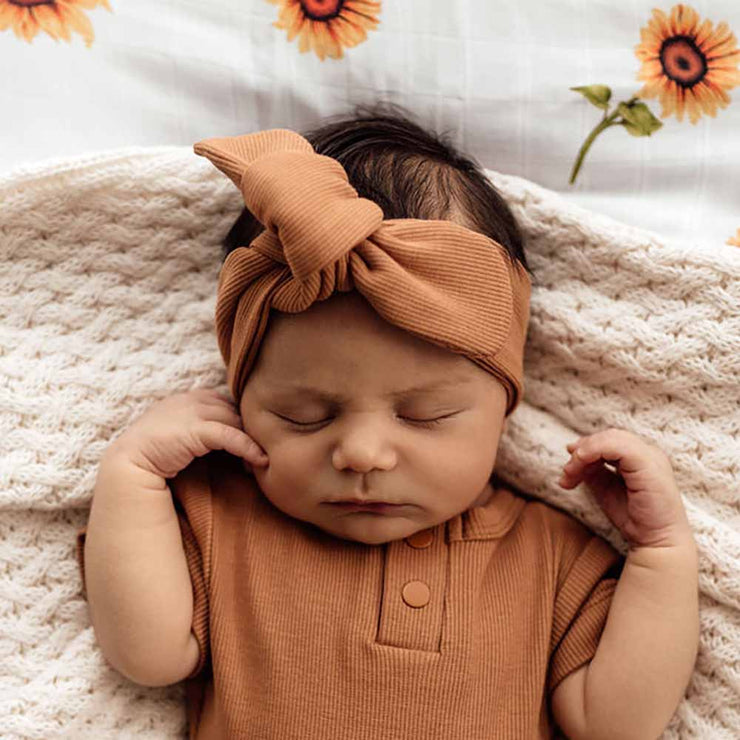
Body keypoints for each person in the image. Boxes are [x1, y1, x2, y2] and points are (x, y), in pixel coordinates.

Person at [74, 102, 699, 739]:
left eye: (427, 414)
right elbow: (147, 655)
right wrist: (135, 475)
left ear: (504, 404)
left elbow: (615, 723)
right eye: (304, 415)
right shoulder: (225, 521)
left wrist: (661, 554)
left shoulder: (547, 557)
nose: (364, 454)